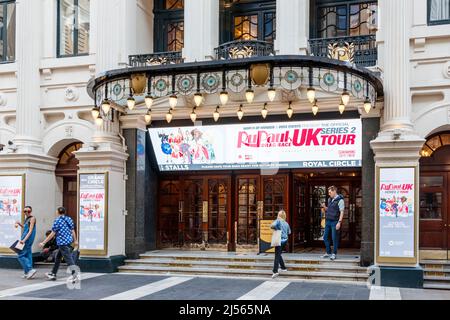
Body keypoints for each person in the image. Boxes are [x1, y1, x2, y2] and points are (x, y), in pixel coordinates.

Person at [39, 207, 78, 281]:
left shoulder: (57, 220)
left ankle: (75, 275)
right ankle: (53, 273)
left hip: (62, 242)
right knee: (58, 258)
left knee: (69, 259)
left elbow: (52, 233)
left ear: (57, 212)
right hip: (68, 241)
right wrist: (75, 241)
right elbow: (73, 231)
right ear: (65, 212)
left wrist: (44, 242)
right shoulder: (69, 219)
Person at [321, 186, 345, 261]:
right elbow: (329, 210)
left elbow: (342, 212)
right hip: (328, 221)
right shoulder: (329, 199)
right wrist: (324, 207)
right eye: (328, 192)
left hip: (335, 221)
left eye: (330, 192)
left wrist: (339, 222)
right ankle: (328, 252)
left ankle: (334, 253)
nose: (329, 194)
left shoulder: (340, 200)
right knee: (325, 237)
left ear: (334, 191)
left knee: (334, 238)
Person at [15, 206, 37, 279]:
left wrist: (24, 240)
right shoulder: (27, 219)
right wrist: (19, 224)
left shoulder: (32, 218)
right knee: (28, 254)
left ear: (31, 211)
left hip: (27, 239)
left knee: (20, 255)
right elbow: (25, 228)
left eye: (28, 211)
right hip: (25, 238)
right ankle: (27, 272)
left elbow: (30, 231)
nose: (27, 213)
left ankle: (30, 269)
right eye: (25, 211)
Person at [271, 210, 291, 279]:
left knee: (277, 255)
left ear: (279, 215)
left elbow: (272, 226)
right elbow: (289, 232)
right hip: (285, 240)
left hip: (279, 240)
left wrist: (277, 229)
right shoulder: (286, 223)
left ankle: (275, 271)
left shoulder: (278, 221)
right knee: (278, 254)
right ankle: (283, 267)